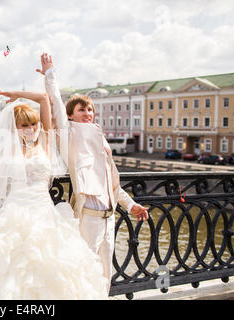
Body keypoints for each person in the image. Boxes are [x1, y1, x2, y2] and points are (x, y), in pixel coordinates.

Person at [0, 90, 109, 300]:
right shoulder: (7, 152)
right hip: (14, 213)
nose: (31, 129)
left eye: (34, 124)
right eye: (25, 125)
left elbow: (43, 99)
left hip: (44, 213)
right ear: (14, 128)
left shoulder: (45, 142)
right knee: (7, 272)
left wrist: (17, 94)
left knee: (51, 268)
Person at [37, 52, 149, 296]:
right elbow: (55, 103)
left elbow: (113, 183)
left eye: (90, 109)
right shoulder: (70, 135)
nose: (88, 113)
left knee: (104, 276)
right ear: (70, 115)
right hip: (88, 217)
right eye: (81, 109)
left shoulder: (101, 140)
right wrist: (50, 75)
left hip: (109, 217)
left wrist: (131, 207)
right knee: (82, 272)